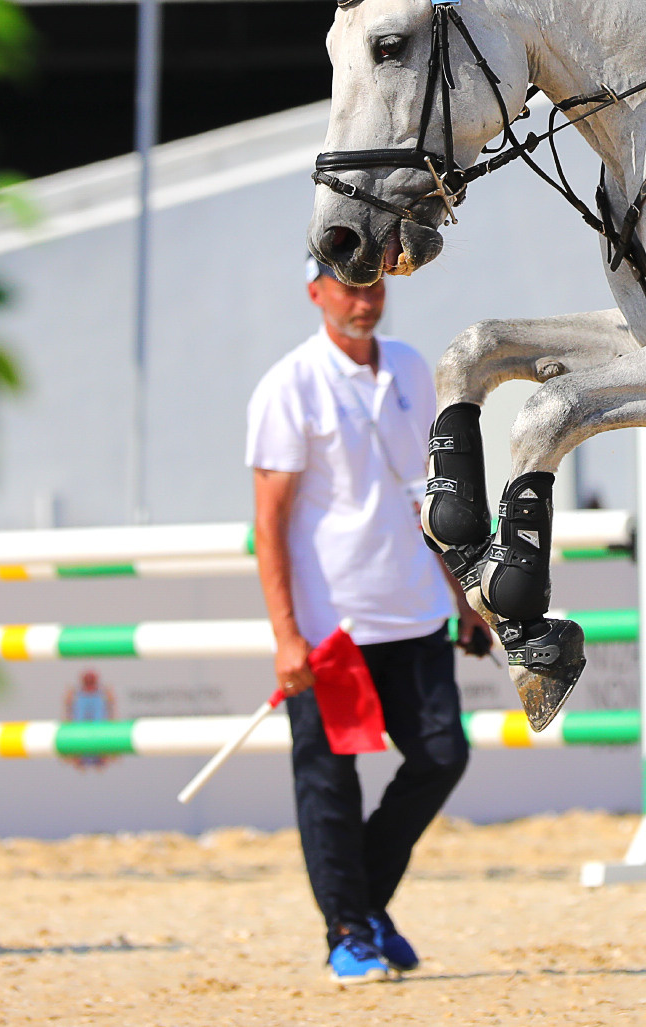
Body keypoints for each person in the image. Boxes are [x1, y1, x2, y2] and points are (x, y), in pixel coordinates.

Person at [247, 257, 492, 984]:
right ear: (314, 291)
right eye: (350, 286)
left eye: (374, 285)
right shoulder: (288, 385)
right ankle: (348, 930)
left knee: (442, 755)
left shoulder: (415, 369)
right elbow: (269, 522)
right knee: (331, 779)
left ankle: (367, 902)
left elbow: (433, 497)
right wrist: (287, 634)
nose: (365, 299)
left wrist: (462, 598)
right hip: (333, 630)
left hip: (415, 610)